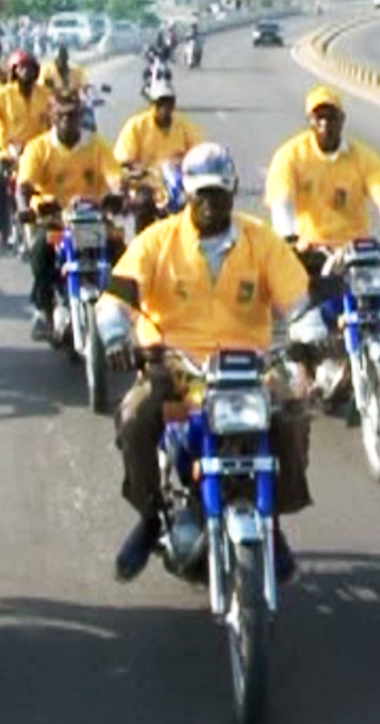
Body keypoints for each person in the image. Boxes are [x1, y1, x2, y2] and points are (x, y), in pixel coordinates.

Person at [97, 142, 324, 584]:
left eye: (218, 193)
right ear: (185, 192)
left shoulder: (261, 240)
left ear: (233, 193)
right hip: (176, 367)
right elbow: (114, 301)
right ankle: (149, 516)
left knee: (293, 414)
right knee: (134, 416)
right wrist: (116, 338)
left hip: (249, 368)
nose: (209, 202)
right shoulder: (156, 242)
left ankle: (272, 520)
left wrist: (310, 339)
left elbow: (300, 304)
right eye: (200, 192)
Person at [18, 93, 124, 340]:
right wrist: (25, 206)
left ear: (81, 117)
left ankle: (121, 309)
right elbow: (24, 185)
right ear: (53, 117)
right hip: (55, 220)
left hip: (92, 219)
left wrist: (119, 194)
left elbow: (115, 177)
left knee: (119, 248)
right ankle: (44, 309)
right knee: (39, 251)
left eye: (73, 115)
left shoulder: (96, 145)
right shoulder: (38, 148)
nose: (67, 120)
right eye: (61, 115)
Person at [265, 86, 380, 249]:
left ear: (342, 120)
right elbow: (282, 203)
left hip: (355, 250)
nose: (325, 124)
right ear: (310, 120)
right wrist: (288, 238)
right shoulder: (290, 156)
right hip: (310, 250)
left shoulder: (364, 158)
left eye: (331, 117)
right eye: (319, 117)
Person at [0, 50, 51, 239]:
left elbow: (56, 121)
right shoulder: (2, 95)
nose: (26, 72)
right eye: (21, 68)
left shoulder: (45, 95)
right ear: (13, 71)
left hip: (39, 154)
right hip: (8, 153)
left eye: (30, 67)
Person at [114, 76, 204, 229]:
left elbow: (200, 154)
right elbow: (123, 159)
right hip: (147, 185)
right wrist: (137, 170)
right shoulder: (136, 126)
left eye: (169, 103)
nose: (165, 109)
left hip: (177, 186)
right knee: (143, 204)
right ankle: (144, 244)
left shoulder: (184, 127)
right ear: (152, 104)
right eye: (160, 103)